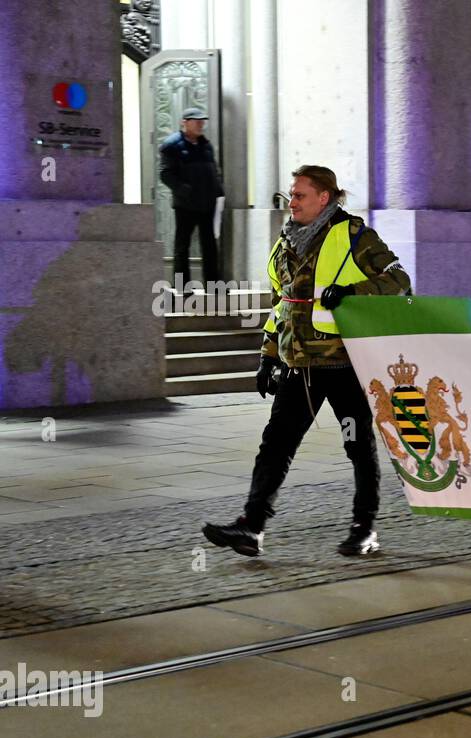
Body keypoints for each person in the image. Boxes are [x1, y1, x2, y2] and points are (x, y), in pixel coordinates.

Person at [202, 165, 411, 557]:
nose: (291, 202)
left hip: (346, 366)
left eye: (299, 195)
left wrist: (350, 292)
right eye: (290, 195)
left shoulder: (355, 236)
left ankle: (364, 529)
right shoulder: (286, 241)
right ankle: (252, 527)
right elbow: (281, 302)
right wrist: (267, 354)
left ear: (324, 198)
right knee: (275, 445)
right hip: (300, 367)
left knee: (358, 446)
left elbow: (399, 280)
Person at [158, 106, 224, 294]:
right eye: (196, 121)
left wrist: (218, 191)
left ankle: (214, 286)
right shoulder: (171, 145)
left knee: (210, 246)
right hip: (185, 205)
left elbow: (213, 170)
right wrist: (184, 190)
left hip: (208, 203)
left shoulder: (206, 145)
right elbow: (165, 174)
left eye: (202, 121)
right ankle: (182, 286)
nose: (200, 124)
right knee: (182, 245)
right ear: (184, 123)